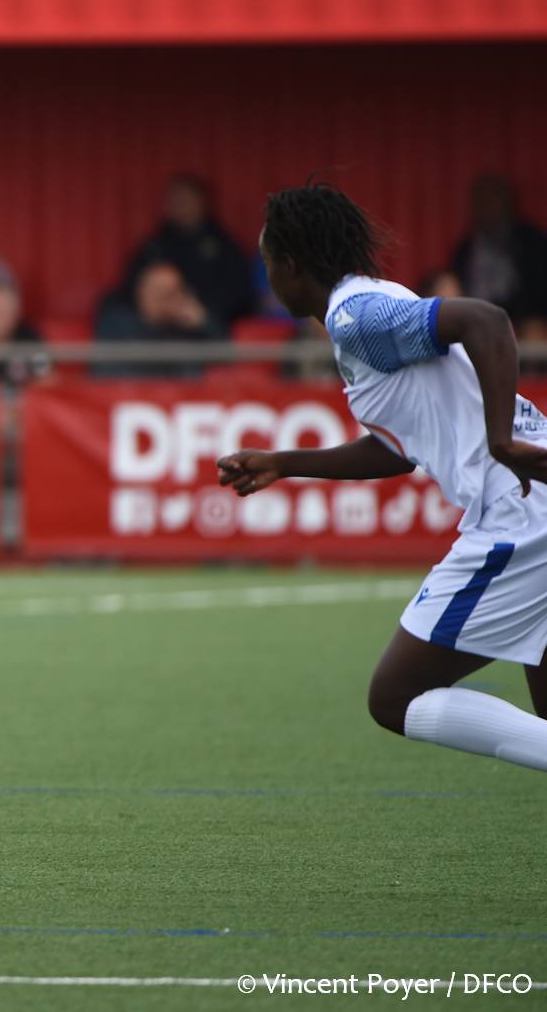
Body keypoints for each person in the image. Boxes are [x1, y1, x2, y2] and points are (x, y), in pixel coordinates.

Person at [216, 182, 547, 776]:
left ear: (292, 264)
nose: (267, 278)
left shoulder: (354, 315)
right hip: (536, 495)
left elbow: (486, 320)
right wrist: (284, 463)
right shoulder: (372, 305)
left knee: (395, 698)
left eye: (268, 263)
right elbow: (399, 451)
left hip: (519, 511)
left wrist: (500, 440)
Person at [122, 174, 255, 328]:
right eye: (175, 201)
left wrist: (202, 311)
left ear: (202, 203)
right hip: (154, 326)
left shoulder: (224, 247)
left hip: (203, 322)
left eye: (186, 200)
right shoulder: (154, 245)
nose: (180, 206)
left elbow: (238, 294)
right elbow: (131, 287)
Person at [448, 173, 547, 334]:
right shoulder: (465, 250)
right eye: (481, 202)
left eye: (492, 200)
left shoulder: (533, 244)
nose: (487, 209)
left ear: (508, 203)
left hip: (523, 325)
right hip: (475, 323)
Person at [94, 259, 225, 377]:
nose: (165, 300)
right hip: (134, 392)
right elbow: (105, 371)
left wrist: (204, 322)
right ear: (141, 291)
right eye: (159, 291)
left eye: (173, 292)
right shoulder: (118, 323)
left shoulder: (186, 326)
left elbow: (225, 357)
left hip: (185, 393)